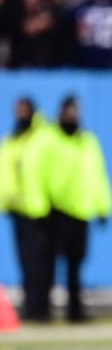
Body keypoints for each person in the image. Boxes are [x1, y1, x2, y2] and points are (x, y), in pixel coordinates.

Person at [42, 96, 112, 323]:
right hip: (56, 209)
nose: (72, 116)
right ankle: (43, 309)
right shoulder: (50, 139)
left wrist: (104, 206)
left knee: (76, 264)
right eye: (69, 111)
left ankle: (75, 311)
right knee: (49, 263)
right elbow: (41, 173)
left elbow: (98, 175)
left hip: (81, 209)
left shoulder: (87, 141)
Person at [0, 97, 55, 322]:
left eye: (24, 110)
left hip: (43, 207)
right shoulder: (13, 140)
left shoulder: (45, 138)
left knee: (42, 260)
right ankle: (31, 306)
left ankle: (42, 306)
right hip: (20, 209)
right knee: (26, 261)